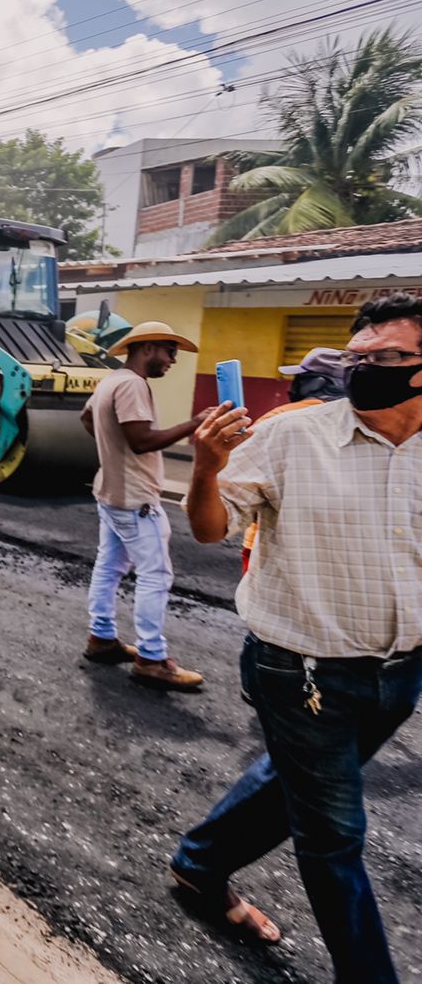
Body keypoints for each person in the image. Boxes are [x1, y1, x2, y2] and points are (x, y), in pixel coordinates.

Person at [169, 292, 422, 983]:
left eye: (389, 358)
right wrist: (206, 464)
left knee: (297, 781)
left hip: (401, 673)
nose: (366, 369)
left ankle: (199, 863)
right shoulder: (292, 436)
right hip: (300, 671)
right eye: (358, 358)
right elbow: (210, 529)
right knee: (335, 833)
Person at [79, 320, 209, 689]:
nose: (172, 361)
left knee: (109, 566)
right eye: (170, 352)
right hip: (136, 498)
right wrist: (195, 423)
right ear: (148, 348)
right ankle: (153, 658)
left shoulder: (111, 381)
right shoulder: (134, 384)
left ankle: (101, 638)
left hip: (111, 492)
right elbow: (141, 440)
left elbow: (87, 417)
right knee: (156, 575)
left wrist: (111, 448)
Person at [240, 347, 347, 572]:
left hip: (272, 544)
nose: (293, 385)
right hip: (335, 550)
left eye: (300, 378)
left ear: (316, 383)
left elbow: (238, 479)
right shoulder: (363, 423)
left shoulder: (281, 419)